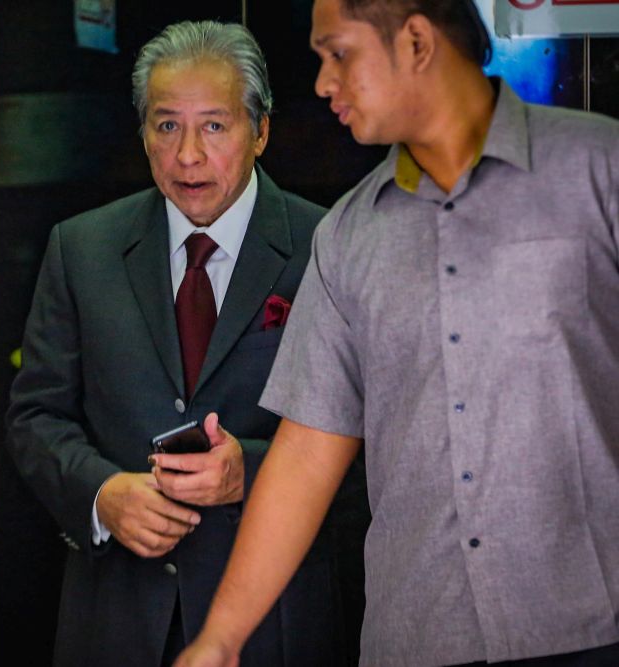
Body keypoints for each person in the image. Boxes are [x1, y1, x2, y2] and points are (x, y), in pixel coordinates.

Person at [176, 1, 619, 666]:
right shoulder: (349, 236)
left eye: (338, 54)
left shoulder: (596, 170)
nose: (323, 83)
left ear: (415, 42)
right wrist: (220, 638)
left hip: (592, 628)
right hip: (418, 634)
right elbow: (305, 453)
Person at [6, 19, 370, 667]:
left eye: (214, 125)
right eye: (167, 125)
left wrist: (251, 473)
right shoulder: (81, 248)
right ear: (143, 133)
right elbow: (36, 416)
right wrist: (101, 494)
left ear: (260, 131)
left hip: (275, 625)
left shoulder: (330, 247)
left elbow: (384, 445)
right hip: (114, 618)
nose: (188, 155)